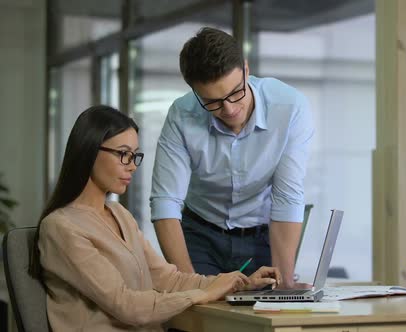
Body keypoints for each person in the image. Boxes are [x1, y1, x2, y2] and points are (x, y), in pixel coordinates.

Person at [29, 105, 281, 331]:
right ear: (90, 151)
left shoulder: (119, 215)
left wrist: (238, 283)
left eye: (135, 155)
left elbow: (170, 280)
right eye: (123, 154)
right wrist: (200, 296)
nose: (132, 166)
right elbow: (125, 304)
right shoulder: (61, 227)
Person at [150, 27, 314, 287]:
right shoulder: (182, 115)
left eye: (235, 92)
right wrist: (189, 285)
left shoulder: (290, 107)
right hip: (200, 234)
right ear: (194, 91)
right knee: (198, 318)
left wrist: (286, 287)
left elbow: (287, 197)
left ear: (246, 70)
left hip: (261, 236)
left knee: (261, 319)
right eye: (212, 102)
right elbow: (165, 202)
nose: (229, 109)